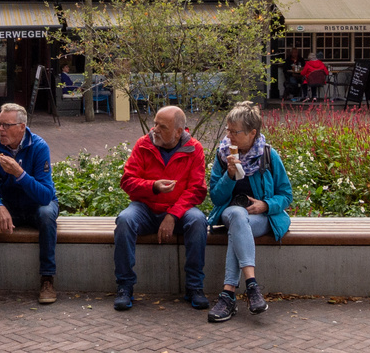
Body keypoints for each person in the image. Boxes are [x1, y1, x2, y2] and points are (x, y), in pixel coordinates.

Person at [114, 106, 210, 312]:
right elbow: (127, 181)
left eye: (161, 126)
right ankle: (125, 286)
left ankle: (194, 287)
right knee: (124, 220)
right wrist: (153, 186)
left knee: (199, 221)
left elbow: (197, 190)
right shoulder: (144, 144)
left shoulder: (194, 149)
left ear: (178, 131)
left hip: (180, 211)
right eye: (155, 123)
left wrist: (173, 215)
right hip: (145, 208)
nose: (154, 129)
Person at [206, 100, 293, 323]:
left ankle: (228, 296)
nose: (229, 136)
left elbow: (286, 195)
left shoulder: (268, 155)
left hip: (261, 218)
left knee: (238, 229)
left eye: (235, 132)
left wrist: (266, 205)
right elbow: (215, 197)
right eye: (228, 130)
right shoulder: (223, 156)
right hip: (231, 214)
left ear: (252, 133)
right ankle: (252, 286)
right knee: (236, 215)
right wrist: (229, 174)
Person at [0, 102, 58, 305]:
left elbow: (45, 196)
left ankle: (47, 278)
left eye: (6, 125)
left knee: (46, 214)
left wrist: (19, 173)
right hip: (9, 206)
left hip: (36, 205)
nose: (1, 129)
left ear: (22, 127)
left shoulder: (39, 147)